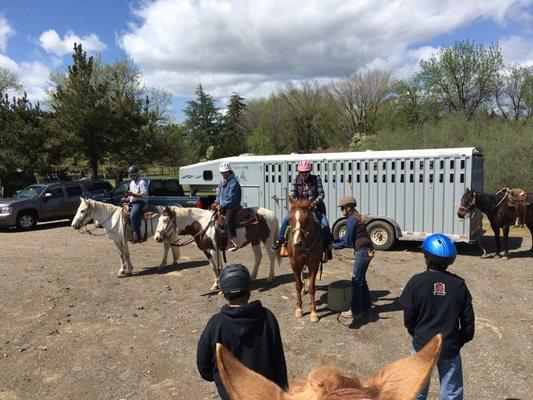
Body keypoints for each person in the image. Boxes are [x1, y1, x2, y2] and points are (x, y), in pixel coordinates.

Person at [196, 264, 288, 400]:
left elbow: (203, 365)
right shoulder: (267, 317)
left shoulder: (216, 323)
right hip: (265, 394)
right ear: (248, 289)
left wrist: (221, 378)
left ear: (225, 292)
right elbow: (278, 361)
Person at [400, 233, 475, 400]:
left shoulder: (416, 282)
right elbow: (468, 321)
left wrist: (416, 334)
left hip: (422, 345)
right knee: (451, 393)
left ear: (426, 257)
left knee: (415, 390)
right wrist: (460, 340)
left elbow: (409, 317)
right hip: (449, 346)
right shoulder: (459, 285)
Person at [271, 160, 333, 258]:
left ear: (309, 171)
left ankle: (327, 247)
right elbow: (293, 195)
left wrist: (313, 203)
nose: (304, 174)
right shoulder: (296, 180)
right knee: (286, 219)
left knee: (325, 224)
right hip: (299, 208)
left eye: (306, 172)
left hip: (314, 208)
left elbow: (321, 195)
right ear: (299, 172)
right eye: (302, 172)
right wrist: (298, 204)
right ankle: (280, 241)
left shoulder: (316, 179)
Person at [331, 196, 374, 319]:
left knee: (356, 281)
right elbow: (349, 237)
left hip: (362, 251)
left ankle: (355, 310)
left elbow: (348, 242)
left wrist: (333, 246)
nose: (341, 211)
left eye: (342, 208)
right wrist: (337, 240)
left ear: (348, 208)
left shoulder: (351, 220)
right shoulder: (356, 217)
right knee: (362, 280)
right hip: (368, 250)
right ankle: (367, 307)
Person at [212, 161, 242, 252]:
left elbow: (231, 198)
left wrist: (221, 205)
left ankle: (233, 240)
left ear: (229, 171)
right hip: (223, 206)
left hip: (232, 206)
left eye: (225, 172)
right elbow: (218, 196)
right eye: (222, 172)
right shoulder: (221, 183)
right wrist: (216, 203)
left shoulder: (233, 183)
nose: (223, 174)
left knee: (228, 219)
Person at [123, 165, 148, 243]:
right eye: (130, 175)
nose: (132, 177)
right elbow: (131, 196)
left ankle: (138, 235)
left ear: (137, 174)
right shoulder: (131, 183)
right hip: (133, 202)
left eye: (133, 175)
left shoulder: (141, 182)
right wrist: (126, 199)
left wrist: (132, 194)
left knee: (133, 216)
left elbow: (143, 195)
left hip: (140, 202)